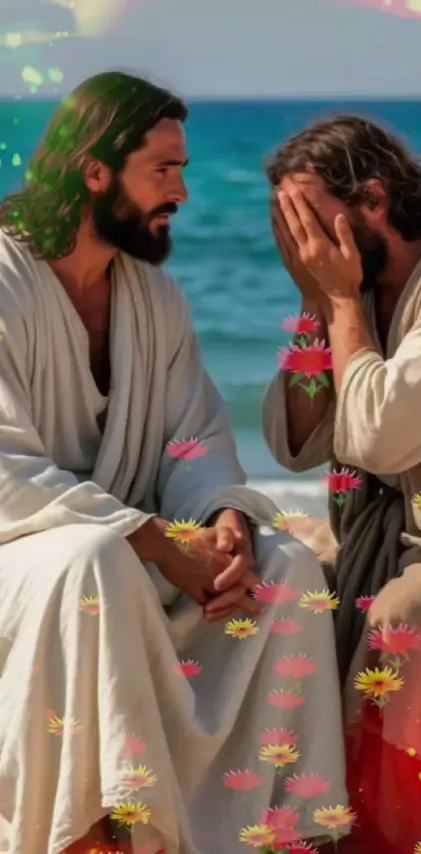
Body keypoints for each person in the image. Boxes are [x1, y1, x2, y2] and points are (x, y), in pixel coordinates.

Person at [0, 72, 348, 854]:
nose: (182, 193)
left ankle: (272, 830)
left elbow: (195, 440)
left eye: (183, 170)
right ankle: (98, 831)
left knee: (286, 564)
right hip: (28, 563)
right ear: (95, 171)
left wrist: (222, 520)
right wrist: (154, 541)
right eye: (164, 170)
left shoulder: (153, 298)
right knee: (95, 560)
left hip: (125, 554)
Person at [262, 114, 421, 853]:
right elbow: (300, 441)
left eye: (311, 221)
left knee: (401, 617)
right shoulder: (356, 292)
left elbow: (380, 433)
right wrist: (315, 304)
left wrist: (342, 303)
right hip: (386, 540)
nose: (303, 246)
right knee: (276, 592)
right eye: (288, 228)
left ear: (376, 201)